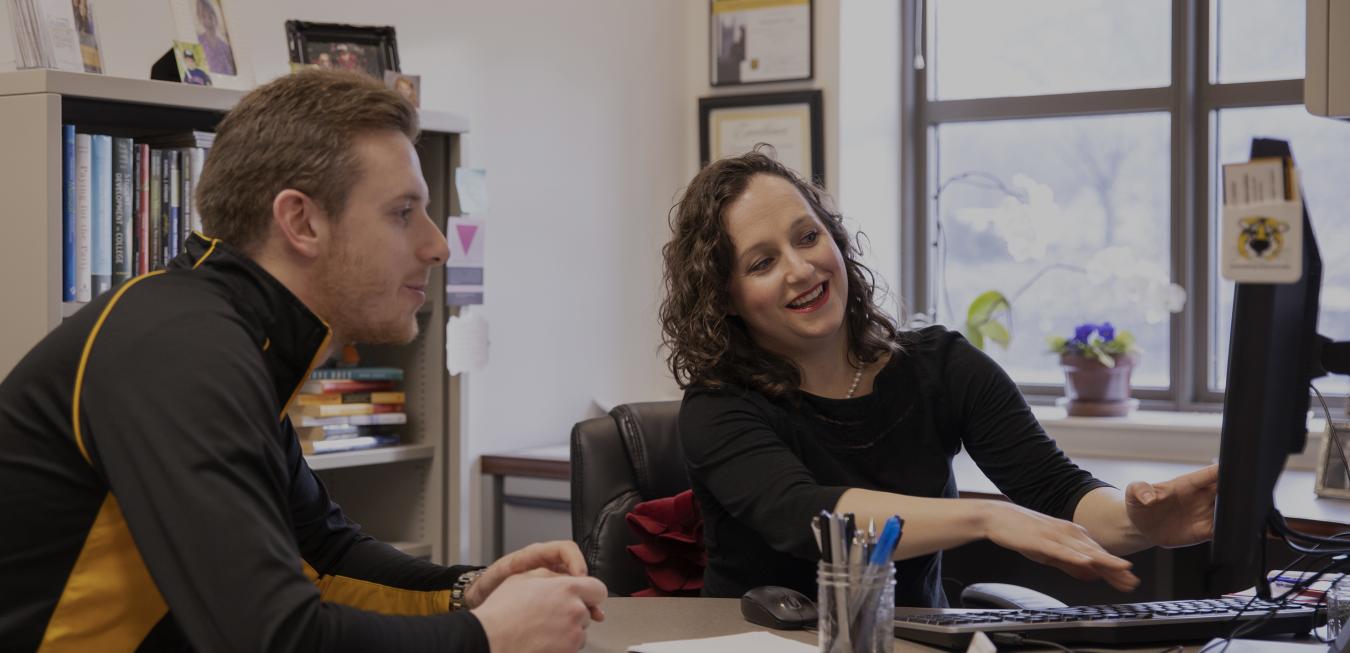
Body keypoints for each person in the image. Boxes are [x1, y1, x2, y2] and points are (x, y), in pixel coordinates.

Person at [0, 70, 605, 652]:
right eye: (402, 212)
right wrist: (490, 636)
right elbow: (271, 638)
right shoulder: (177, 351)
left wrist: (472, 592)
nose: (437, 245)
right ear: (301, 221)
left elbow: (326, 558)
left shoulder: (227, 339)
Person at [658, 147, 1219, 606]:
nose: (801, 269)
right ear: (724, 298)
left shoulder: (941, 366)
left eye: (808, 237)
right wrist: (986, 517)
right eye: (762, 263)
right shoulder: (718, 404)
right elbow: (811, 519)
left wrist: (1143, 521)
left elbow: (1059, 494)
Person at [195, 0, 236, 76]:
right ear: (200, 18)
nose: (208, 20)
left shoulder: (226, 47)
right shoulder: (197, 41)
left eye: (211, 15)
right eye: (204, 16)